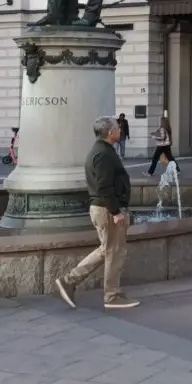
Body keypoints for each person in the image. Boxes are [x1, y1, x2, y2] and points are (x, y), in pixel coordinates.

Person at [54, 116, 139, 309]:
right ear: (110, 132)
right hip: (106, 209)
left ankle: (69, 281)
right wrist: (116, 211)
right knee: (114, 252)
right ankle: (111, 296)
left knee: (106, 250)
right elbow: (104, 186)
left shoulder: (103, 150)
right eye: (117, 128)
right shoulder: (103, 154)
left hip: (104, 208)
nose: (120, 130)